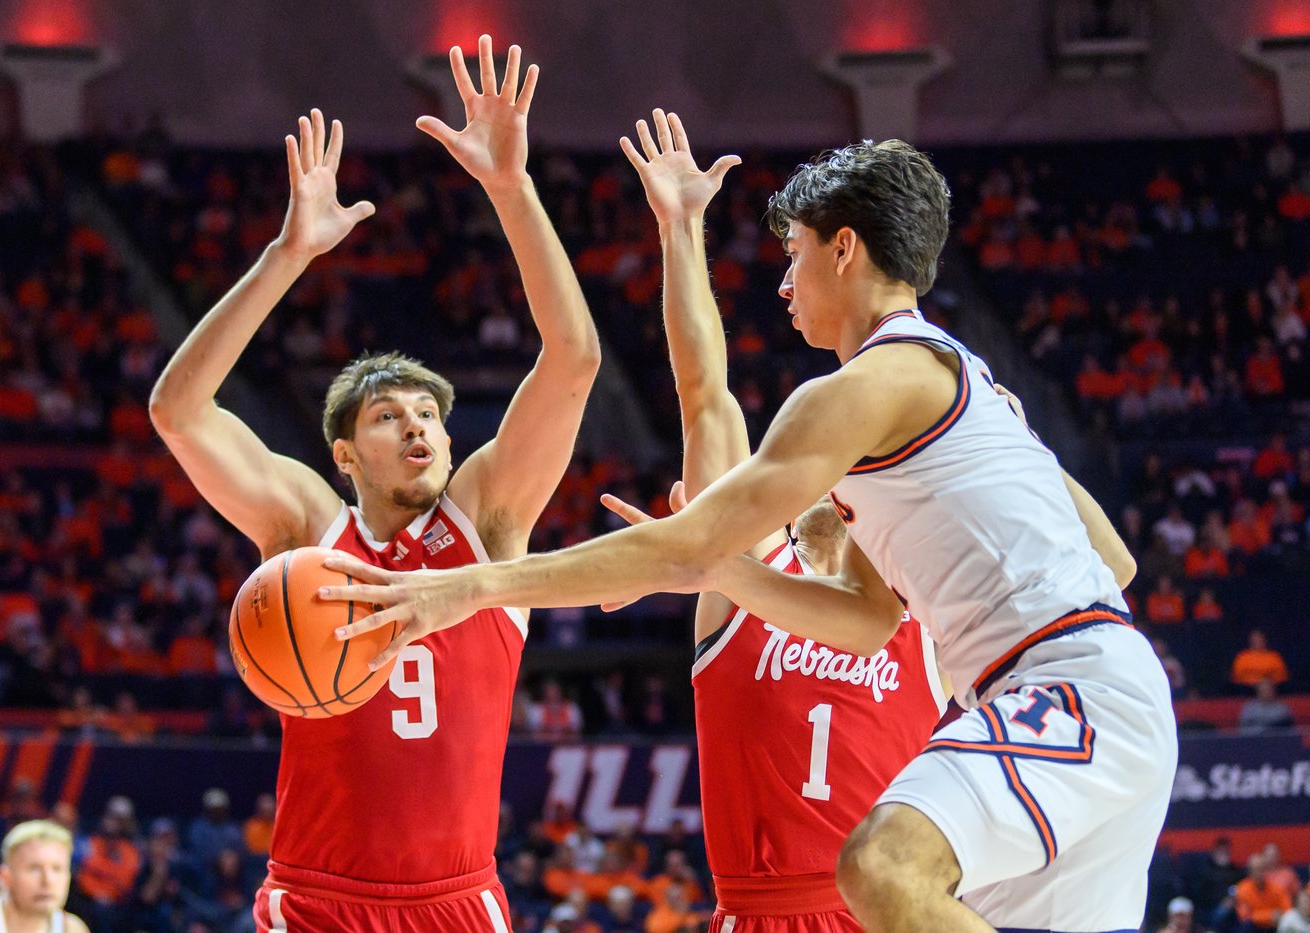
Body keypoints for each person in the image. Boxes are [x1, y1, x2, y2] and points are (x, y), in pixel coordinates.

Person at [329, 118, 1172, 932]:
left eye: (794, 254)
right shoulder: (959, 396)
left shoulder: (874, 384)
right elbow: (1094, 567)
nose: (782, 282)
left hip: (1059, 685)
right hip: (1074, 692)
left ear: (844, 248)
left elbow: (689, 535)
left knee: (882, 866)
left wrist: (472, 584)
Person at [603, 112, 1137, 933]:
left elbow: (1116, 564)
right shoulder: (740, 570)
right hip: (762, 912)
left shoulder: (928, 596)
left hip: (890, 906)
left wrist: (1002, 432)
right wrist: (681, 227)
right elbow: (703, 389)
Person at [148, 35, 599, 932]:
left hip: (457, 899)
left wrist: (513, 189)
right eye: (389, 417)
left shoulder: (488, 520)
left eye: (427, 413)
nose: (418, 426)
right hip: (316, 896)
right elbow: (178, 410)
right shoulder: (303, 529)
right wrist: (286, 255)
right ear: (345, 453)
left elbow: (574, 358)